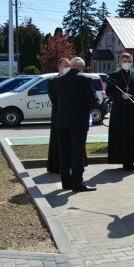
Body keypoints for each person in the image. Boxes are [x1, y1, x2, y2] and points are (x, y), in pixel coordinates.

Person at [53, 57, 99, 192]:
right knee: (77, 153)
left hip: (61, 121)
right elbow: (94, 100)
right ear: (81, 67)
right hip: (78, 121)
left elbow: (55, 101)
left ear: (71, 66)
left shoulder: (58, 80)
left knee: (64, 153)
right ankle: (78, 183)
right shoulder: (85, 79)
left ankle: (66, 182)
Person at [106, 53, 134, 171]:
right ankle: (123, 161)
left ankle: (133, 160)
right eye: (124, 61)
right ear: (120, 62)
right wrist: (120, 95)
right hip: (120, 112)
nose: (126, 63)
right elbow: (109, 91)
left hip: (133, 110)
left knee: (133, 135)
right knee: (121, 135)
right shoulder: (114, 75)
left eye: (128, 61)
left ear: (132, 62)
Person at [47, 58, 71, 174]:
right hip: (59, 114)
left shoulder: (74, 79)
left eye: (69, 65)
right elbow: (53, 99)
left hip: (72, 114)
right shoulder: (53, 80)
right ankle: (57, 165)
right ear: (59, 67)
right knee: (58, 140)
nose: (67, 67)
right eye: (65, 65)